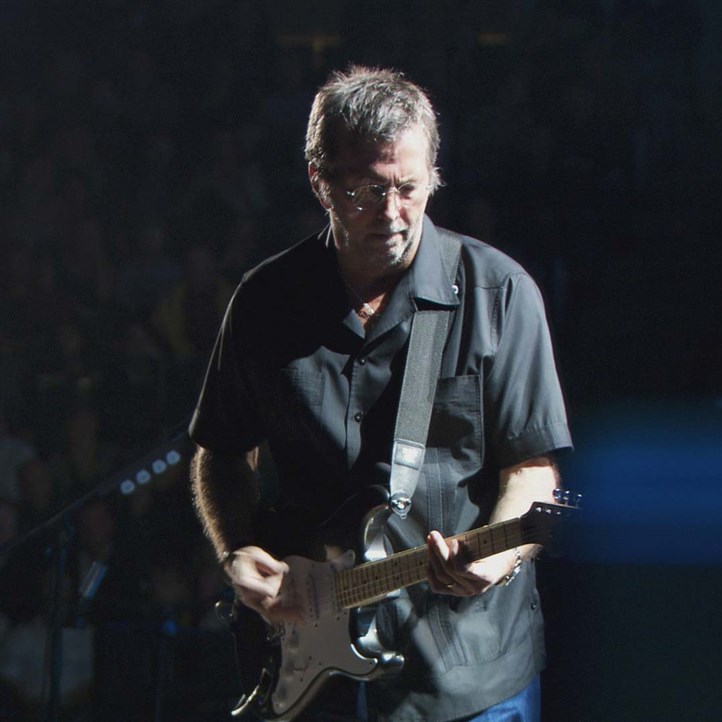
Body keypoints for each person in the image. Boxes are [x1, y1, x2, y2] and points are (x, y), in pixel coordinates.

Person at [189, 66, 572, 722]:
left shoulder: (499, 294)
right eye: (367, 191)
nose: (393, 214)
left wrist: (499, 556)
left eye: (410, 188)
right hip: (312, 670)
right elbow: (221, 452)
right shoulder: (264, 301)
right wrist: (236, 550)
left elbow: (532, 469)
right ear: (320, 183)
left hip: (468, 671)